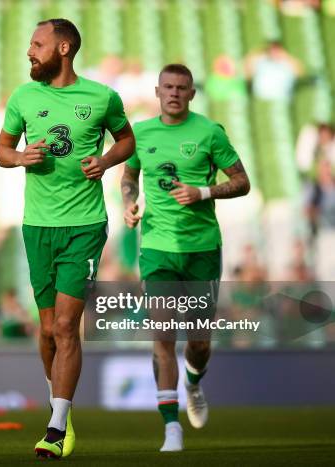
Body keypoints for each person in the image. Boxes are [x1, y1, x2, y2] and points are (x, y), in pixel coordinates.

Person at [0, 18, 135, 459]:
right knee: (47, 332)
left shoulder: (100, 97)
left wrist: (106, 160)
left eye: (37, 44)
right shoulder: (23, 97)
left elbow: (127, 140)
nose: (29, 51)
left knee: (65, 327)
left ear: (64, 48)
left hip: (84, 225)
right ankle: (62, 402)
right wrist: (19, 158)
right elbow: (0, 151)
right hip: (37, 226)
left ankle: (56, 427)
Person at [121, 64, 250, 452]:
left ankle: (193, 384)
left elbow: (242, 181)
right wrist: (130, 203)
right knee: (162, 335)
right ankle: (171, 428)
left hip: (202, 251)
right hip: (158, 249)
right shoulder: (140, 134)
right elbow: (128, 176)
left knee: (198, 342)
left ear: (192, 94)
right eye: (168, 87)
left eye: (182, 88)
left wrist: (203, 192)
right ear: (157, 91)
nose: (174, 93)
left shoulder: (210, 132)